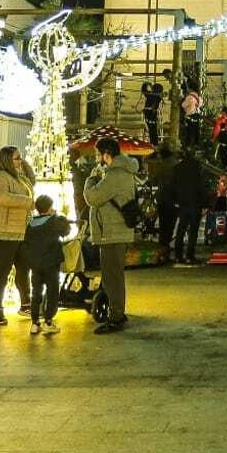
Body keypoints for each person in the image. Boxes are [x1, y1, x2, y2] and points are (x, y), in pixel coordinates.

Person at [84, 137, 138, 334]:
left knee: (112, 277)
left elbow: (92, 197)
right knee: (113, 275)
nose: (96, 158)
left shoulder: (115, 175)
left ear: (106, 155)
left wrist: (91, 179)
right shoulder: (121, 171)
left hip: (113, 233)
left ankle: (116, 317)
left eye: (98, 154)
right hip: (114, 231)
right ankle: (117, 312)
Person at [0, 146, 35, 325]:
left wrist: (23, 164)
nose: (20, 161)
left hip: (20, 231)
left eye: (20, 157)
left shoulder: (19, 177)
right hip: (1, 233)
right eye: (17, 158)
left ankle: (26, 305)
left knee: (23, 268)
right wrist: (28, 202)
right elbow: (3, 198)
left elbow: (32, 182)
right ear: (7, 161)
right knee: (2, 271)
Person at [22, 194, 71, 335]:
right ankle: (48, 321)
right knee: (52, 292)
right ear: (50, 208)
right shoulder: (54, 221)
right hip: (51, 264)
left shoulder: (31, 224)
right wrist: (58, 216)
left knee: (36, 292)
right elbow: (66, 231)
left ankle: (35, 323)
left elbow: (26, 244)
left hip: (35, 265)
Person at [171, 147, 206, 264]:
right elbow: (201, 185)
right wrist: (204, 201)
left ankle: (178, 255)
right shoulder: (197, 167)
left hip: (182, 202)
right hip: (195, 202)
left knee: (181, 228)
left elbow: (173, 185)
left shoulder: (177, 168)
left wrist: (175, 199)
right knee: (193, 230)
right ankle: (189, 255)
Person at [150, 144, 178, 265]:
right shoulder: (176, 165)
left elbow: (153, 180)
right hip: (173, 200)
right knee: (169, 227)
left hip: (162, 199)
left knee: (163, 227)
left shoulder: (161, 166)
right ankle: (165, 253)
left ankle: (162, 254)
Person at [140, 80, 164, 144]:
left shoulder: (152, 95)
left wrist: (145, 84)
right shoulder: (157, 96)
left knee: (152, 129)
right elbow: (145, 92)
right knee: (153, 129)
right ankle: (154, 142)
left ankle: (154, 142)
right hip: (152, 113)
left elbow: (144, 91)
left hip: (150, 113)